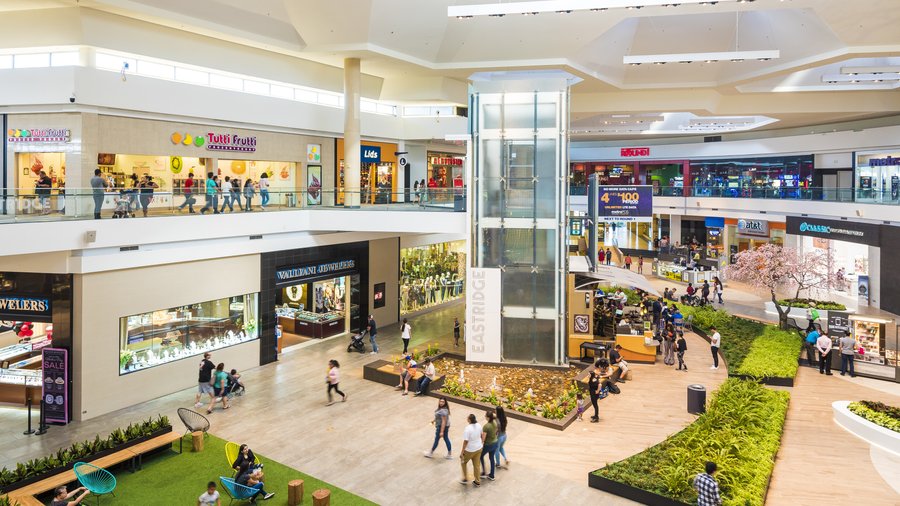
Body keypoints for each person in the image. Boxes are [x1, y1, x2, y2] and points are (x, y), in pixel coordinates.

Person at [459, 413, 484, 487]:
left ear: (469, 420)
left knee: (463, 462)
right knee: (476, 465)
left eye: (467, 418)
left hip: (469, 450)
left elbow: (466, 441)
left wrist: (462, 452)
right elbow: (481, 435)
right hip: (478, 448)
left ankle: (465, 478)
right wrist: (481, 444)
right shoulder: (479, 425)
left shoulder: (467, 428)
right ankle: (477, 481)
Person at [480, 411, 499, 482]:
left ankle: (484, 472)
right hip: (495, 443)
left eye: (485, 416)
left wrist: (481, 445)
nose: (485, 417)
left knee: (480, 456)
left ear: (488, 417)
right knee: (491, 458)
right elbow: (496, 431)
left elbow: (483, 438)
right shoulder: (495, 422)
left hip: (488, 445)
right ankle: (492, 475)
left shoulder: (486, 426)